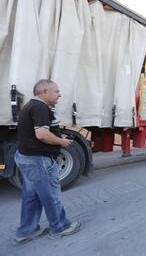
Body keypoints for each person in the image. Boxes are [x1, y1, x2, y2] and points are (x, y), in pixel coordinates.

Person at [13, 79, 81, 245]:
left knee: (32, 196)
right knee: (51, 195)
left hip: (28, 158)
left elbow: (38, 133)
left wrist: (57, 136)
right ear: (44, 92)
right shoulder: (40, 107)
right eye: (56, 91)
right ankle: (60, 227)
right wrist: (61, 142)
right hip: (37, 161)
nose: (60, 94)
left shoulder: (30, 106)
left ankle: (27, 231)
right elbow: (42, 135)